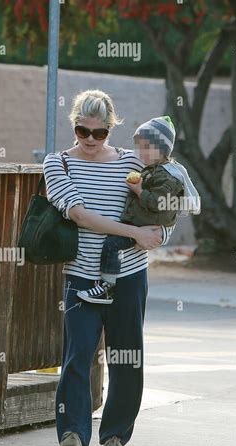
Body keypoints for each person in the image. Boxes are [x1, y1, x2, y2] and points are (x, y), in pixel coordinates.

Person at [43, 89, 176, 446]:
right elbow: (80, 215)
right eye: (81, 130)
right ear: (73, 125)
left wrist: (158, 235)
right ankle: (72, 433)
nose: (88, 140)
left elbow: (163, 208)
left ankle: (115, 436)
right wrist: (135, 233)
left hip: (129, 275)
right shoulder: (58, 164)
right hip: (82, 276)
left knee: (126, 356)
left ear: (111, 128)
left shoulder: (132, 161)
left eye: (98, 133)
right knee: (76, 356)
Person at [77, 115, 200, 304]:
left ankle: (107, 287)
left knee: (112, 245)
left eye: (145, 147)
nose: (140, 152)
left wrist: (139, 190)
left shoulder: (168, 176)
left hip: (145, 226)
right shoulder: (154, 168)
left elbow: (159, 202)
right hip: (141, 224)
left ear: (161, 149)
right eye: (139, 147)